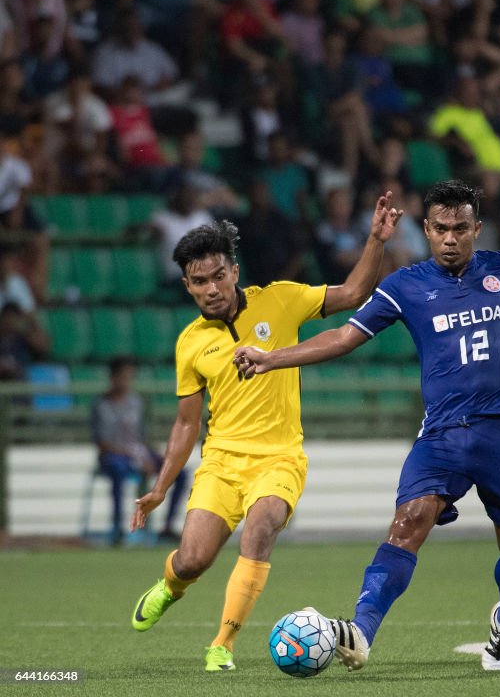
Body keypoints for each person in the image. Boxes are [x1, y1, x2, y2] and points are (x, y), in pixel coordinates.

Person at [234, 180, 500, 673]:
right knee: (407, 523)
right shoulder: (403, 286)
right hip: (441, 436)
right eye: (440, 228)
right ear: (425, 229)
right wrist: (272, 358)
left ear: (476, 229)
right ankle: (360, 631)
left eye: (460, 228)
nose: (449, 238)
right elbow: (342, 336)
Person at [127, 192, 402, 673]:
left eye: (217, 276)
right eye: (198, 282)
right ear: (187, 287)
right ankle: (170, 586)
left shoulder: (279, 298)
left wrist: (375, 241)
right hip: (222, 464)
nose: (211, 288)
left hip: (280, 459)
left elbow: (354, 294)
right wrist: (159, 489)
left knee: (260, 528)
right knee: (192, 561)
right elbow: (187, 423)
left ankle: (222, 645)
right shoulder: (190, 343)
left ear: (233, 270)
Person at [92, 357, 188, 544]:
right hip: (114, 456)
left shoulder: (136, 402)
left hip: (137, 452)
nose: (126, 381)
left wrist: (154, 455)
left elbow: (141, 437)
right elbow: (101, 441)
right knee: (118, 470)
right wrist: (134, 456)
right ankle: (118, 527)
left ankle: (167, 526)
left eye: (130, 377)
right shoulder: (101, 405)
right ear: (113, 377)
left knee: (180, 472)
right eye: (123, 377)